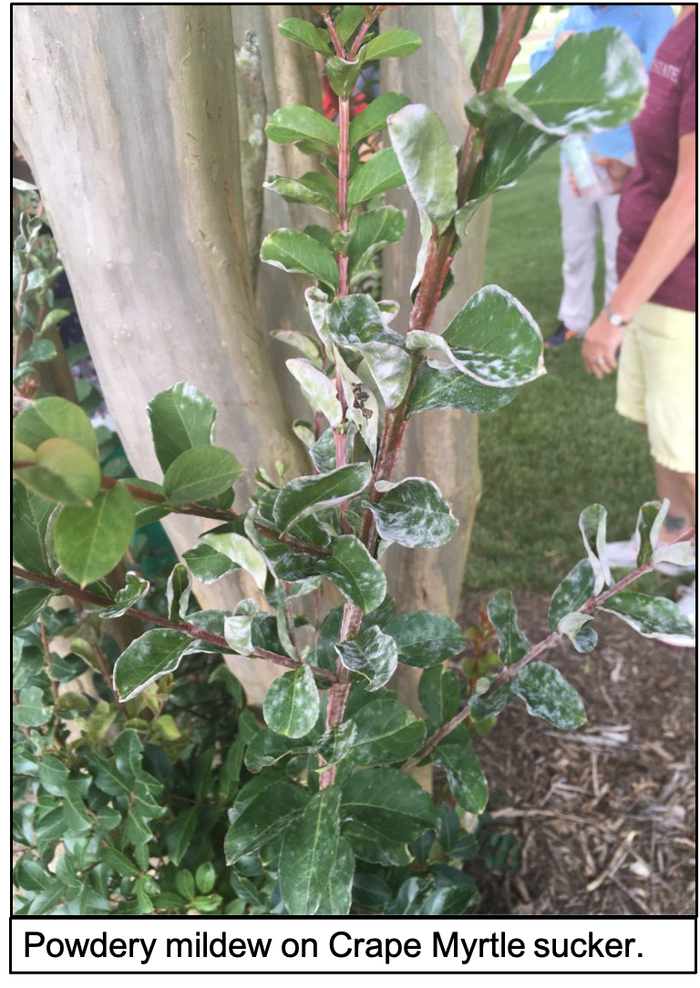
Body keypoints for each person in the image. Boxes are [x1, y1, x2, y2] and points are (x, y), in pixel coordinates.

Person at [581, 6, 695, 642]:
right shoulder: (683, 21)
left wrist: (615, 312)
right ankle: (676, 537)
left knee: (690, 445)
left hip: (686, 291)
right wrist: (637, 173)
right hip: (656, 275)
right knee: (663, 430)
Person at [530, 6, 676, 347]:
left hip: (628, 152)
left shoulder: (654, 12)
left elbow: (659, 71)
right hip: (577, 151)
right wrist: (560, 47)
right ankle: (573, 320)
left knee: (619, 245)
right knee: (575, 243)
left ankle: (620, 326)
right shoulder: (578, 13)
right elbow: (539, 66)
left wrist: (587, 53)